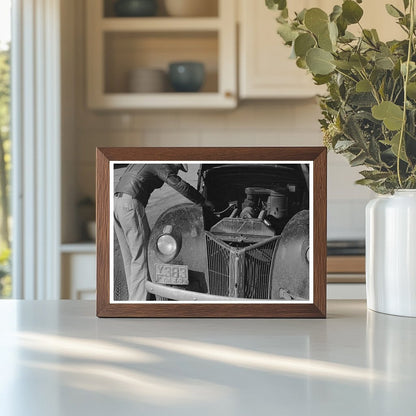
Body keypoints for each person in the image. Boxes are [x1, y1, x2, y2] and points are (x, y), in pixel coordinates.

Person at [113, 163, 211, 301]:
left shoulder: (145, 160)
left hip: (117, 202)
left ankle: (133, 298)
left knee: (130, 256)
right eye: (178, 167)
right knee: (142, 258)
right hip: (131, 204)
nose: (177, 171)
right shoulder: (161, 163)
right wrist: (202, 202)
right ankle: (139, 304)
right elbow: (179, 185)